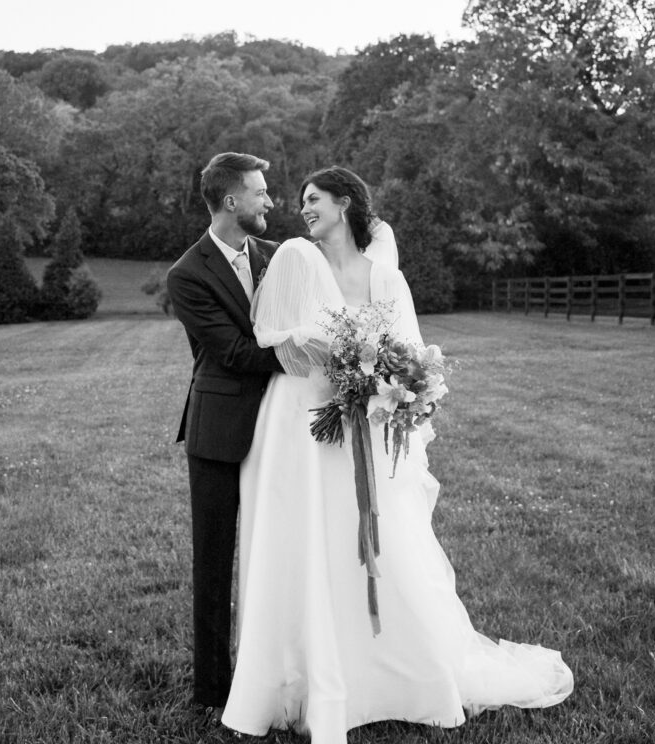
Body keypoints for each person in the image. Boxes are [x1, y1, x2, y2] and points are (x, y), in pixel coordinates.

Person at [222, 166, 573, 742]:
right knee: (307, 538)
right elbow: (272, 336)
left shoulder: (387, 279)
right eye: (301, 201)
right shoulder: (294, 257)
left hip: (365, 420)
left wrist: (397, 386)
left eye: (314, 199)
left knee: (376, 542)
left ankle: (396, 675)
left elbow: (410, 353)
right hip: (301, 423)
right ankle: (308, 677)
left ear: (345, 204)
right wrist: (330, 356)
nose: (304, 209)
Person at [166, 152, 283, 722]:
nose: (270, 202)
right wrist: (310, 355)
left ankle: (276, 669)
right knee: (214, 561)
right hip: (218, 429)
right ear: (232, 200)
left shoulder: (277, 256)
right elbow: (232, 352)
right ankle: (213, 687)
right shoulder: (187, 274)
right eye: (261, 193)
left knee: (279, 553)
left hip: (281, 426)